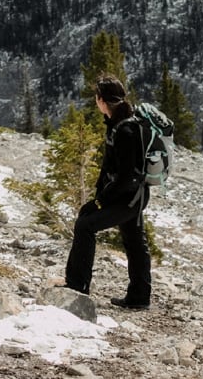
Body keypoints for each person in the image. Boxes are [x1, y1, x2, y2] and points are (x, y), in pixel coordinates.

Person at [62, 75, 152, 310]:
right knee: (134, 241)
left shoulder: (125, 130)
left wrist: (100, 201)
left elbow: (124, 176)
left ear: (102, 100)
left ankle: (77, 287)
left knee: (85, 225)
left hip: (128, 198)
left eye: (96, 97)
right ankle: (139, 297)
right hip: (135, 196)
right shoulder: (120, 123)